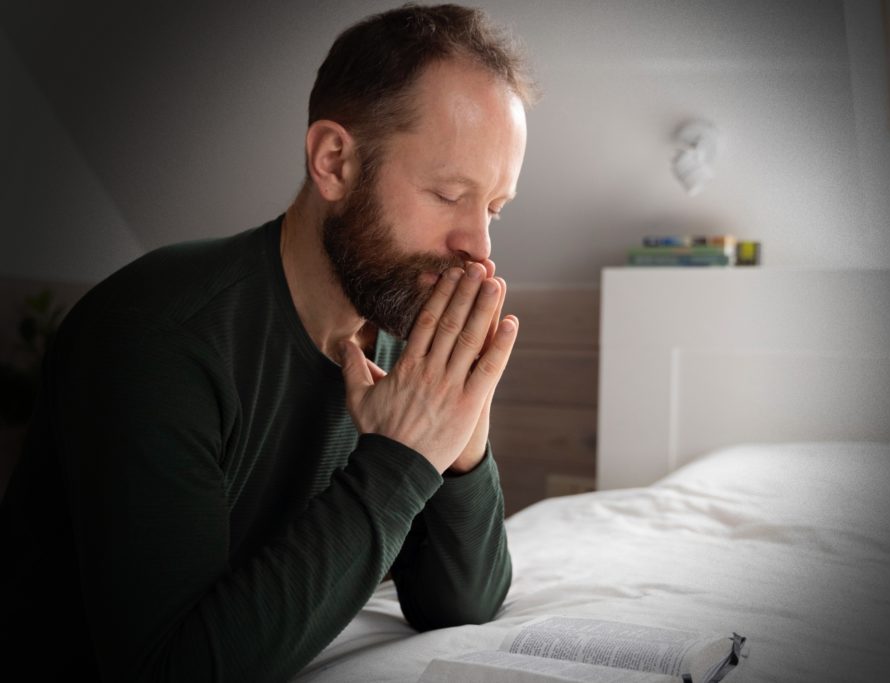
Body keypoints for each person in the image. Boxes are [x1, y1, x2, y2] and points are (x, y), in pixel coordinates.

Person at [0, 3, 538, 680]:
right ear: (335, 161)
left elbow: (459, 604)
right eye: (449, 193)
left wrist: (462, 446)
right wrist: (399, 460)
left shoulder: (401, 326)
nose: (479, 250)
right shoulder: (157, 335)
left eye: (493, 209)